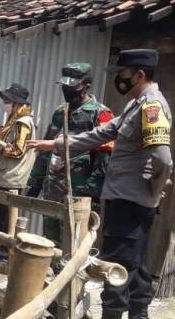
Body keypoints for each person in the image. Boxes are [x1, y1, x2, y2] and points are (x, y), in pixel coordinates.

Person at [27, 49, 173, 319]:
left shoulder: (151, 107)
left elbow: (163, 158)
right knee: (134, 261)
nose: (119, 78)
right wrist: (53, 144)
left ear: (139, 74)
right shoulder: (136, 104)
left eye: (122, 73)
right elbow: (101, 134)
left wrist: (153, 190)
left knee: (117, 260)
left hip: (132, 199)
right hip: (126, 197)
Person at [27, 63, 114, 246]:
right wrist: (35, 183)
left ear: (86, 86)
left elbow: (104, 158)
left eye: (72, 86)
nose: (67, 89)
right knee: (50, 243)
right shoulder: (60, 112)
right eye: (64, 85)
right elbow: (45, 148)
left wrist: (90, 191)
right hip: (53, 190)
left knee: (75, 243)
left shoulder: (100, 114)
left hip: (79, 193)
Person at [0, 83, 37, 236]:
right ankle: (5, 246)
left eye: (8, 102)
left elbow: (17, 151)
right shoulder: (14, 119)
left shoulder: (23, 122)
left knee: (5, 214)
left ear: (17, 104)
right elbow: (8, 136)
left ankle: (7, 248)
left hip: (13, 176)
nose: (5, 105)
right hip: (7, 175)